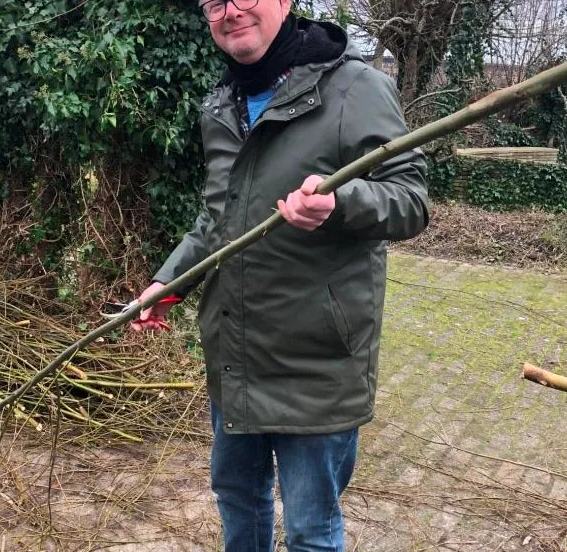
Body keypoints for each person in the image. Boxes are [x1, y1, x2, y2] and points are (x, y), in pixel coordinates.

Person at [131, 0, 429, 549]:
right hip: (235, 354)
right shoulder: (222, 104)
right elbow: (216, 220)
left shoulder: (356, 88)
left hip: (315, 361)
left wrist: (340, 203)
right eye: (214, 3)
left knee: (311, 530)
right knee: (239, 505)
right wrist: (167, 283)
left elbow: (410, 201)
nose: (231, 11)